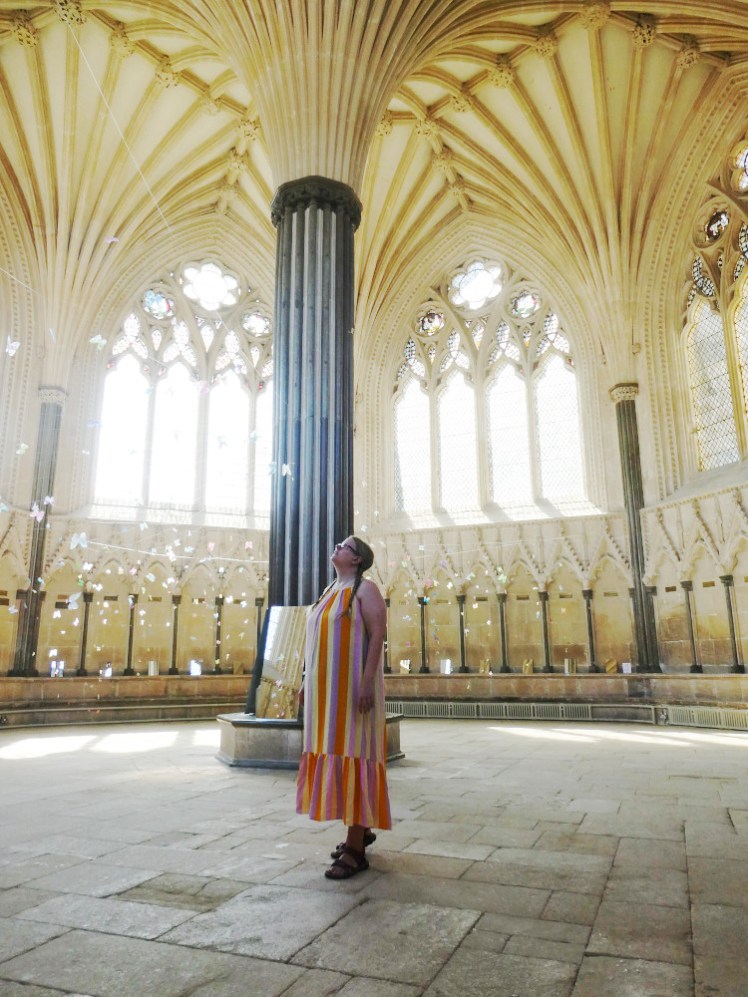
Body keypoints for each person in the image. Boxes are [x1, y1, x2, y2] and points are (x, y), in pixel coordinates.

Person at [296, 535, 392, 878]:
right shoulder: (329, 592)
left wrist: (367, 682)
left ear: (357, 560)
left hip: (354, 696)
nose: (336, 547)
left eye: (345, 546)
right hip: (326, 698)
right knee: (334, 753)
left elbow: (377, 637)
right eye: (337, 544)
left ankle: (355, 848)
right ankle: (360, 829)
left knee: (356, 754)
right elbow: (318, 642)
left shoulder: (366, 591)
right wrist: (308, 680)